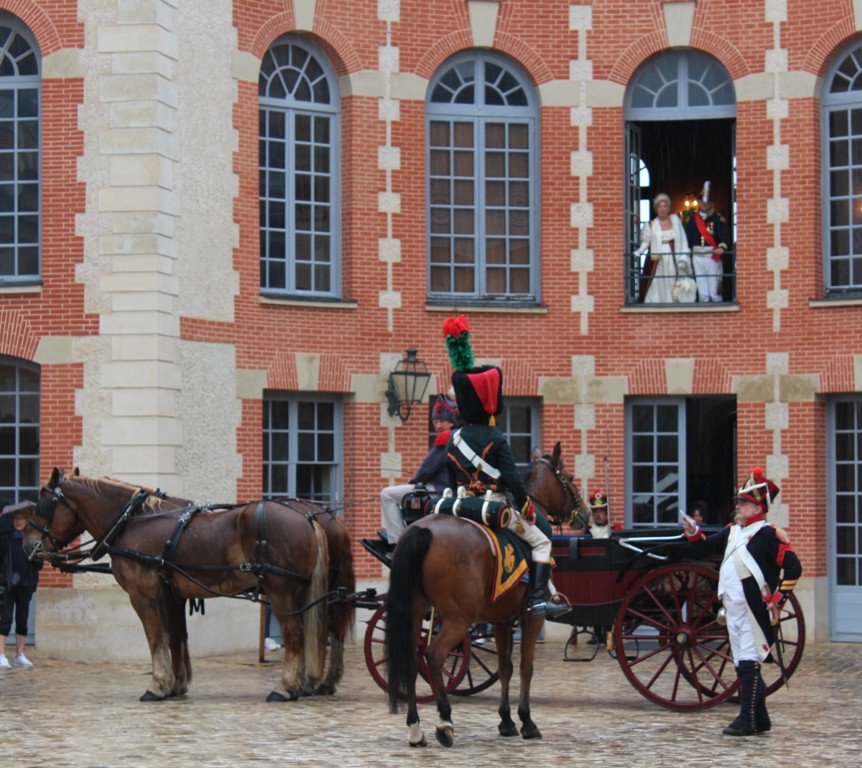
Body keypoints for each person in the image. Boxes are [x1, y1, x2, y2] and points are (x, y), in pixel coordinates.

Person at [443, 315, 567, 618]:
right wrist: (526, 507)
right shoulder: (496, 439)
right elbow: (513, 482)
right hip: (493, 507)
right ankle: (538, 599)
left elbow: (452, 478)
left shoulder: (452, 439)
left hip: (460, 506)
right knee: (541, 538)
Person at [681, 467, 802, 736]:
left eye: (744, 502)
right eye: (739, 501)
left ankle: (746, 720)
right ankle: (760, 719)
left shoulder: (770, 535)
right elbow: (705, 546)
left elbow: (794, 568)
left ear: (757, 508)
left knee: (748, 662)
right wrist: (692, 532)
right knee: (742, 662)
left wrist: (779, 598)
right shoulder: (732, 533)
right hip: (733, 607)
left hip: (753, 609)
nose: (738, 506)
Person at [378, 394, 458, 552]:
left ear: (451, 421)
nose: (438, 426)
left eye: (441, 421)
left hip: (438, 490)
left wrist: (414, 481)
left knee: (386, 494)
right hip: (450, 489)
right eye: (435, 422)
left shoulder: (445, 438)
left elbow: (427, 468)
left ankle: (397, 543)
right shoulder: (459, 436)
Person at [0, 501, 42, 669]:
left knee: (22, 619)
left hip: (26, 583)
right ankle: (1, 654)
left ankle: (20, 654)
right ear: (12, 520)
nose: (19, 522)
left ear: (27, 520)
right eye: (16, 519)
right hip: (8, 583)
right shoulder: (5, 537)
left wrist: (37, 555)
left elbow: (39, 563)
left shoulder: (31, 538)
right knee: (5, 619)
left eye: (22, 519)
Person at [634, 192, 691, 304]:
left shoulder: (675, 221)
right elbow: (646, 242)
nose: (662, 209)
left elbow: (683, 240)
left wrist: (683, 257)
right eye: (660, 206)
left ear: (668, 208)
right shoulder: (651, 224)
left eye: (665, 206)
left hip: (673, 258)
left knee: (672, 281)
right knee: (657, 282)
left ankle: (671, 303)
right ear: (656, 208)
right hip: (657, 259)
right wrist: (639, 251)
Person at [683, 181, 730, 303]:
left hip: (712, 255)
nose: (704, 204)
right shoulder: (692, 220)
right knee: (702, 292)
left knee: (714, 291)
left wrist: (722, 248)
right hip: (697, 255)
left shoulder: (718, 218)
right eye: (702, 201)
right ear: (698, 202)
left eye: (707, 201)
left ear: (711, 203)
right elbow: (688, 239)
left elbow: (724, 236)